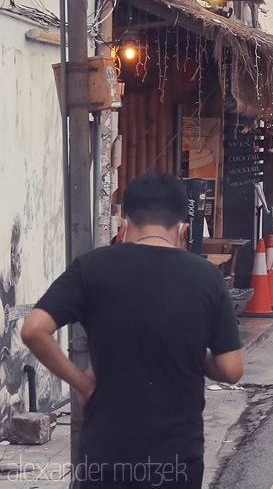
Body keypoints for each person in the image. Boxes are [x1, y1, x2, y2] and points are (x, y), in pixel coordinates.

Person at [21, 173, 243, 488]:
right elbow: (231, 369)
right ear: (183, 228)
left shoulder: (91, 267)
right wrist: (196, 352)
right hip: (177, 456)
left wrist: (82, 383)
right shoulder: (206, 276)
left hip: (106, 452)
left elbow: (33, 330)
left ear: (124, 222)